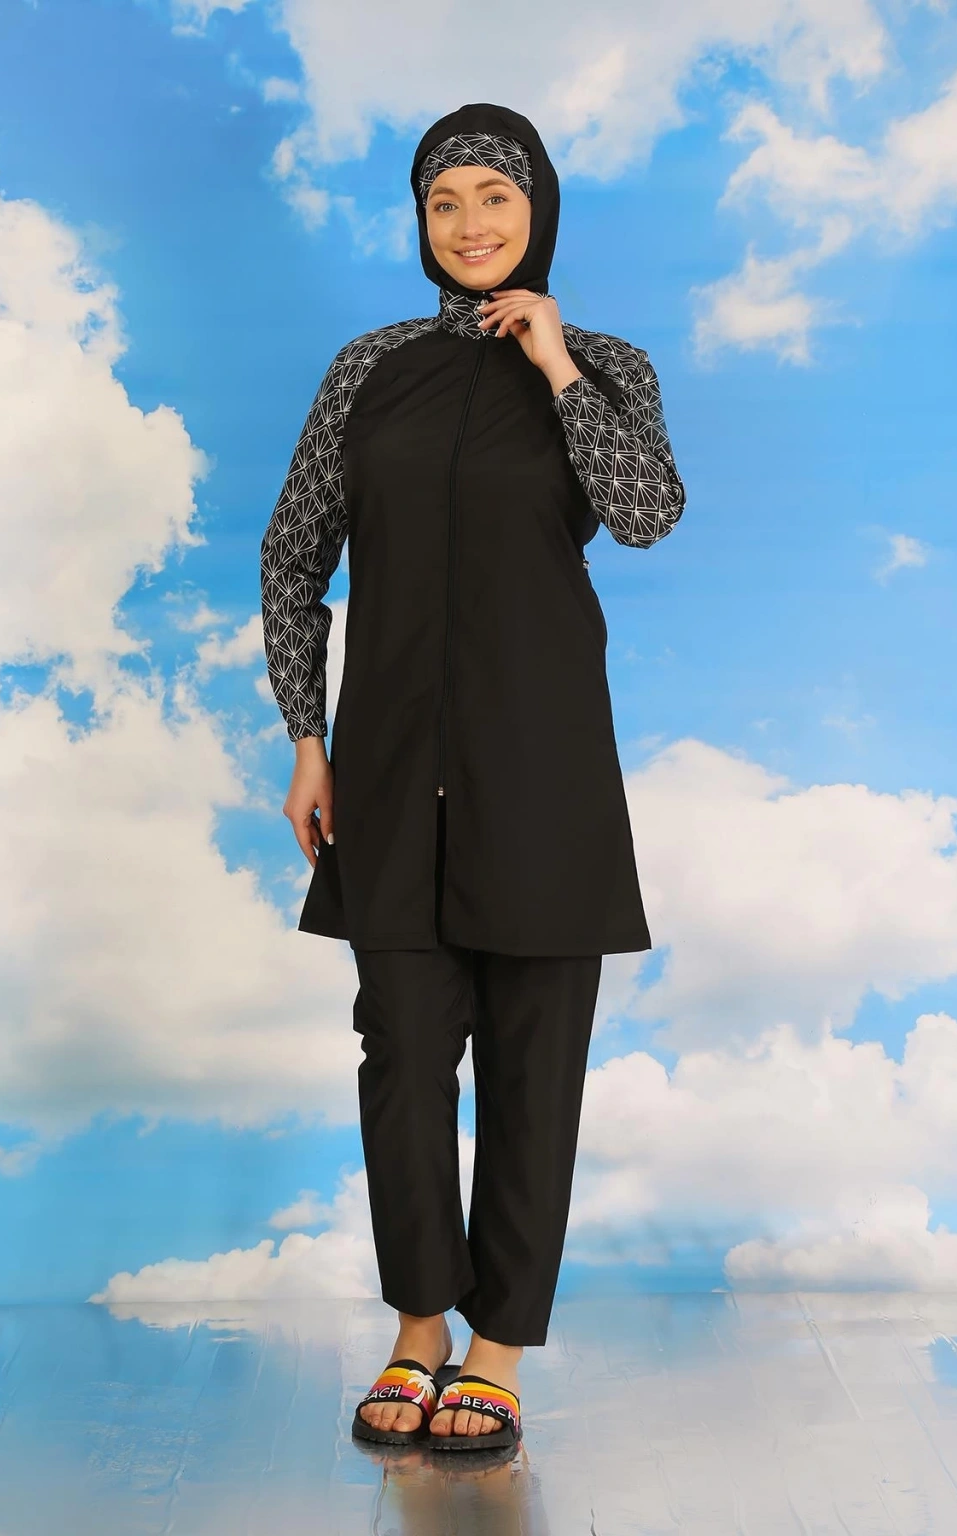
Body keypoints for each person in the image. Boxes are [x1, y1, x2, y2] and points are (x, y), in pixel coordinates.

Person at [260, 101, 686, 1450]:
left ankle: (497, 1349)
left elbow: (648, 513)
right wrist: (308, 737)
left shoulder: (605, 365)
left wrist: (555, 364)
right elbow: (292, 553)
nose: (469, 223)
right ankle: (419, 1327)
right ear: (420, 222)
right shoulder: (369, 368)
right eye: (443, 201)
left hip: (542, 770)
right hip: (387, 769)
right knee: (400, 1054)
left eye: (495, 197)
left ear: (538, 210)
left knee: (532, 1063)